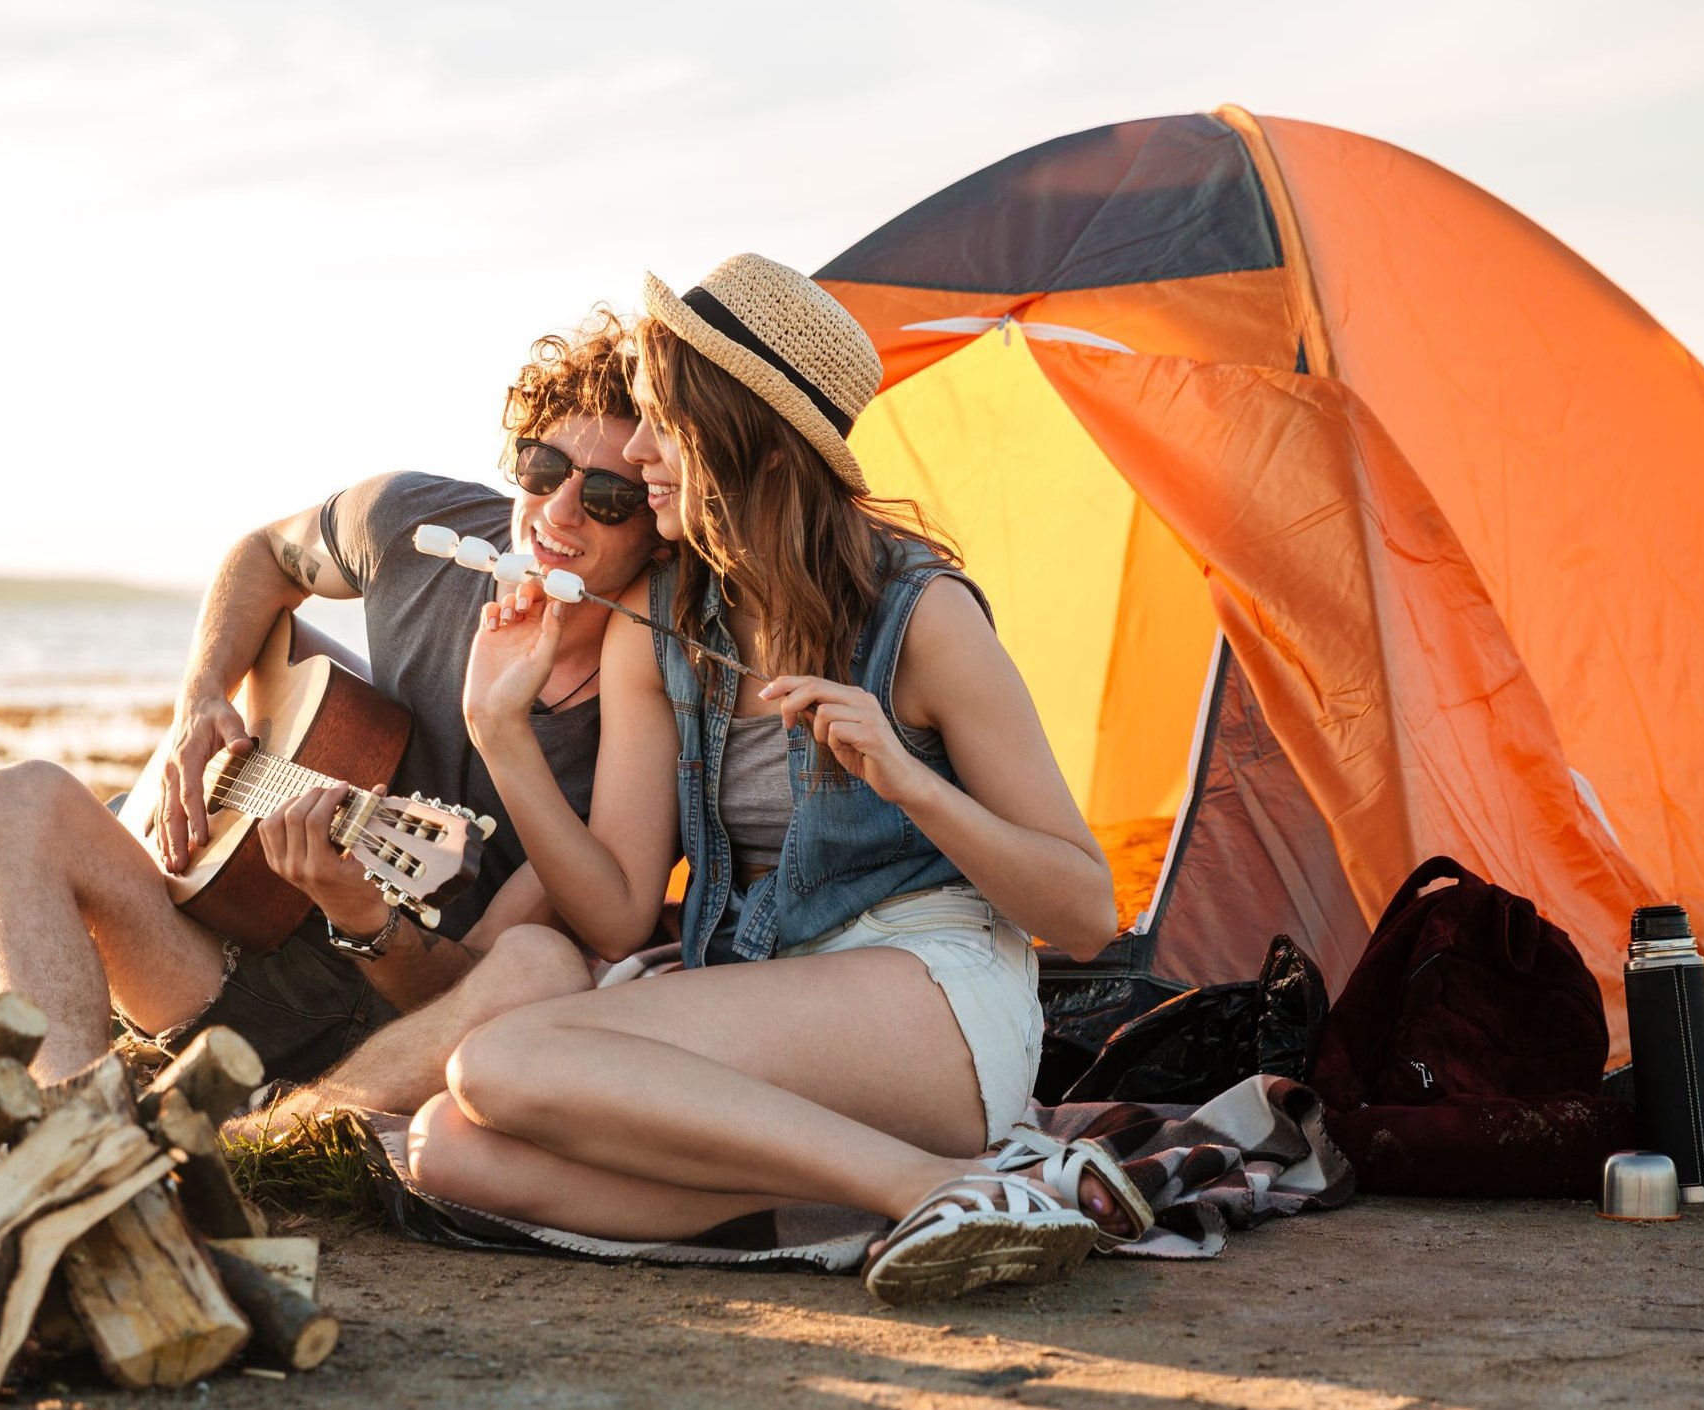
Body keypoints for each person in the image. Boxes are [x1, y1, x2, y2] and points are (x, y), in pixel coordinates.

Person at [407, 255, 1154, 1305]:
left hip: (928, 1000)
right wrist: (501, 733)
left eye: (663, 424)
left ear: (743, 439)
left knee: (500, 1067)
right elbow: (619, 915)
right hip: (769, 1001)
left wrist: (913, 784)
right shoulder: (668, 619)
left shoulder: (921, 618)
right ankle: (923, 1196)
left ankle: (943, 1182)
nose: (638, 450)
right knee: (449, 1149)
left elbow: (1083, 910)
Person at [0, 311, 664, 1091]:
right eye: (542, 469)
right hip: (205, 959)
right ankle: (66, 1123)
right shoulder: (414, 524)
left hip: (388, 1033)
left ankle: (287, 1125)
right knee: (13, 799)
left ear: (658, 525)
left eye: (606, 497)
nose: (558, 513)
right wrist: (199, 698)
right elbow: (263, 556)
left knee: (539, 968)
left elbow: (464, 985)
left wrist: (362, 914)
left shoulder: (638, 704)